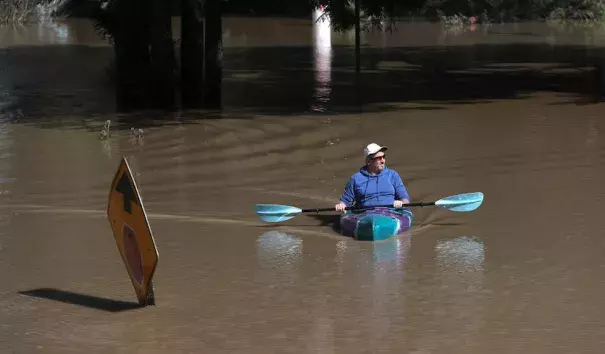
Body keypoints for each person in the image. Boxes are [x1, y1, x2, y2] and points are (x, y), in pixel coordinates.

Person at [335, 143, 410, 212]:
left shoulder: (393, 175)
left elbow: (405, 199)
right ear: (369, 162)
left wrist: (401, 202)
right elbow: (345, 201)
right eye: (379, 158)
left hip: (390, 213)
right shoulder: (355, 179)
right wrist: (341, 205)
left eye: (383, 157)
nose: (383, 161)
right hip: (365, 215)